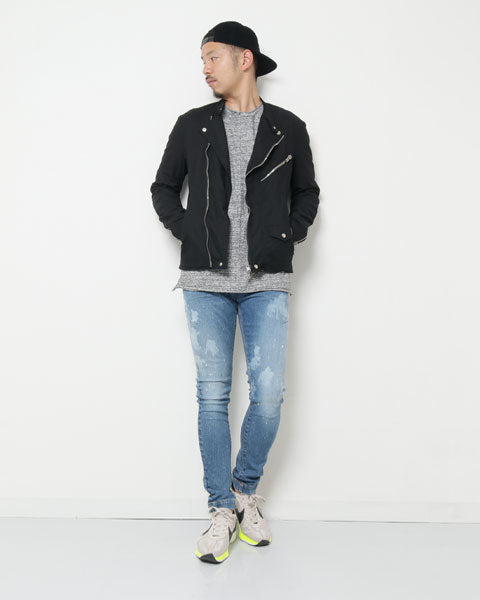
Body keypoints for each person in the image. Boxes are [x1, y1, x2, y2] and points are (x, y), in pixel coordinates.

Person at [150, 20, 320, 564]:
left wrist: (289, 232)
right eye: (202, 59)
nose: (204, 68)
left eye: (212, 56)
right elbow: (162, 187)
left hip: (267, 279)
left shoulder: (288, 128)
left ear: (244, 59)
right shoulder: (192, 125)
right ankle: (221, 509)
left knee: (268, 396)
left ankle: (245, 491)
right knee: (213, 397)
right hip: (206, 280)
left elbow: (307, 193)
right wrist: (188, 230)